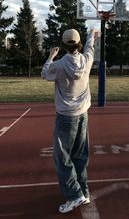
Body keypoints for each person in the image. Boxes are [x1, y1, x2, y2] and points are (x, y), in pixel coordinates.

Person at [41, 28, 97, 214]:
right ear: (78, 42)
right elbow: (90, 46)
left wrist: (50, 56)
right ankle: (84, 191)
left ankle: (74, 195)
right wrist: (92, 34)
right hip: (83, 115)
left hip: (66, 117)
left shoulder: (58, 65)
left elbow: (44, 73)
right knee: (80, 155)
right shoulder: (86, 59)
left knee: (62, 158)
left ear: (64, 45)